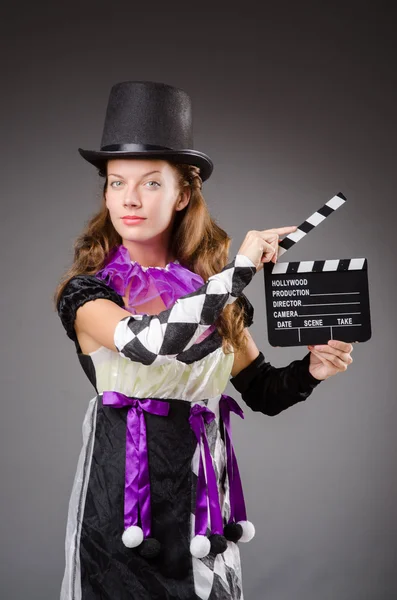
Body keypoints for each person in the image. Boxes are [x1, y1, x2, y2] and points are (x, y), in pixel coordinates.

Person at [54, 81, 354, 600]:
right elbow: (147, 342)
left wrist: (313, 369)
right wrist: (234, 274)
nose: (128, 198)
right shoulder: (88, 294)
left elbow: (261, 390)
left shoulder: (218, 297)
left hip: (201, 506)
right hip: (121, 508)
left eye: (151, 183)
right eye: (115, 182)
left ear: (183, 194)